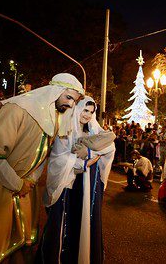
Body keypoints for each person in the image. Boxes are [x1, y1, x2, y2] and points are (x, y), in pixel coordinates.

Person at [0, 73, 85, 264]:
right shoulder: (18, 110)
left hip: (25, 191)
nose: (71, 104)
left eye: (74, 101)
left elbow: (42, 156)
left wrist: (30, 181)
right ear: (55, 92)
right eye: (68, 97)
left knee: (19, 247)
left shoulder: (53, 118)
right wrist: (17, 183)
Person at [37, 96, 115, 264]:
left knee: (83, 225)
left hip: (86, 186)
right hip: (67, 186)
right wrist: (83, 161)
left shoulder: (92, 131)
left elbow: (110, 146)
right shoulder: (65, 131)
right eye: (85, 110)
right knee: (64, 226)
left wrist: (90, 154)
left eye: (91, 112)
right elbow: (58, 159)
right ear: (78, 108)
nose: (87, 115)